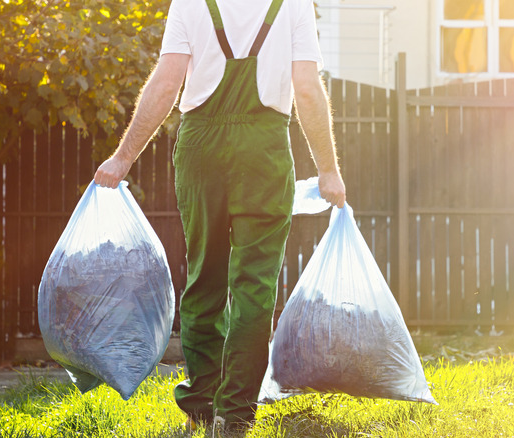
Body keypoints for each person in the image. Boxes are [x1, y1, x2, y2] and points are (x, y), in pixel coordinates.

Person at [93, 0, 346, 432]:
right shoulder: (294, 5)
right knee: (255, 285)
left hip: (201, 150)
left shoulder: (189, 3)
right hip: (263, 152)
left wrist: (122, 158)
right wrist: (328, 169)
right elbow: (306, 87)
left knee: (204, 276)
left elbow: (167, 81)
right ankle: (236, 414)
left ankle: (201, 406)